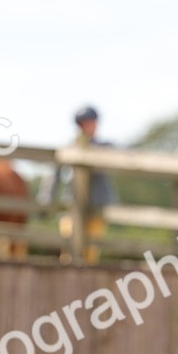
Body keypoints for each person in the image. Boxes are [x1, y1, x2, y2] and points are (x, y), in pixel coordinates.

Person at [40, 106, 115, 262]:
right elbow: (54, 174)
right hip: (71, 204)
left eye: (92, 122)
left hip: (96, 206)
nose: (90, 126)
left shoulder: (105, 148)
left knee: (91, 253)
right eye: (86, 123)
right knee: (68, 248)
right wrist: (46, 199)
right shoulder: (69, 148)